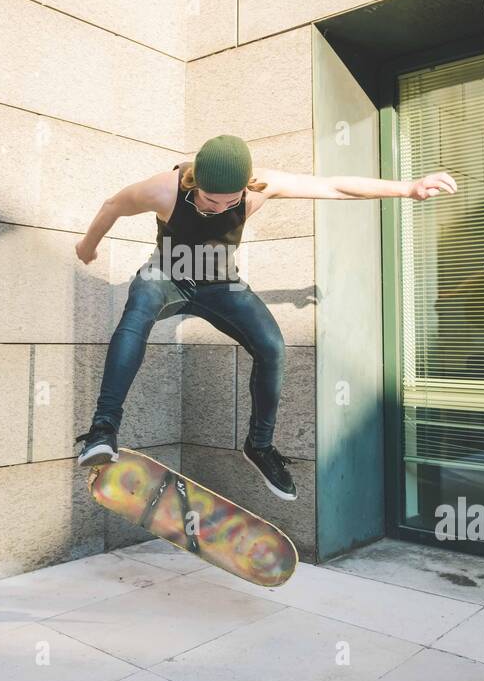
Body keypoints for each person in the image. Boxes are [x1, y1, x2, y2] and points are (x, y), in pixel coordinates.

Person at [72, 134, 457, 500]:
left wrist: (407, 188)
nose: (219, 209)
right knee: (137, 313)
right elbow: (111, 207)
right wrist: (87, 245)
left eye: (229, 202)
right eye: (209, 200)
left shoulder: (261, 186)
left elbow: (333, 186)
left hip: (221, 285)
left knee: (272, 346)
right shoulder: (163, 189)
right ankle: (103, 430)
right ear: (195, 183)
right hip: (167, 276)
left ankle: (259, 446)